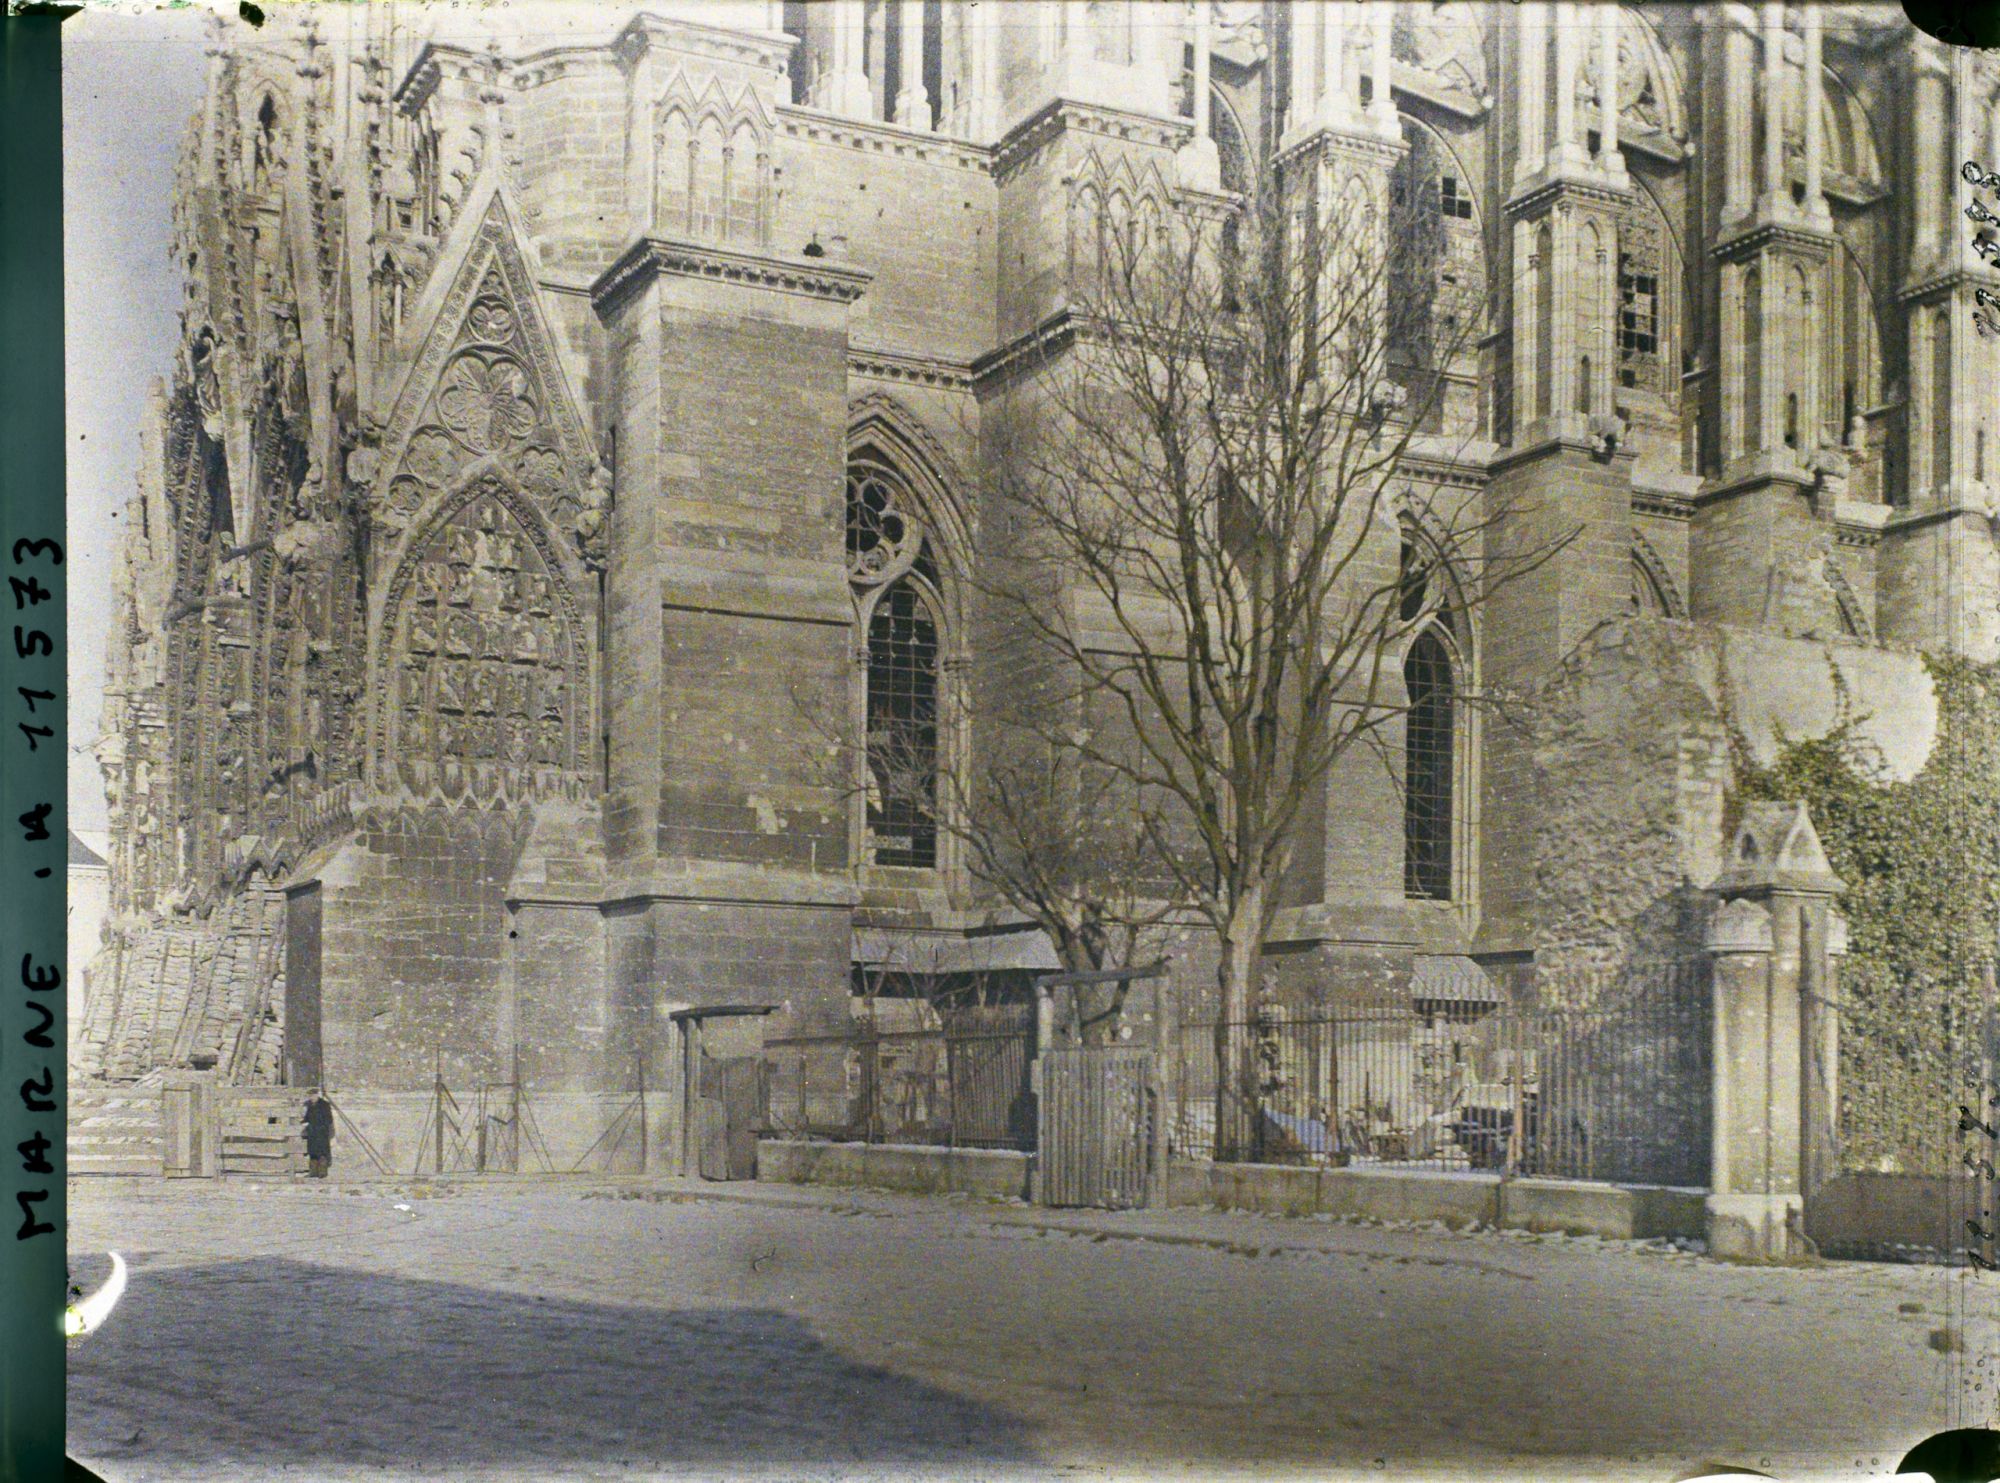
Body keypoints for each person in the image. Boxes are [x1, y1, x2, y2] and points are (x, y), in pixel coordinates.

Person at [303, 1090, 334, 1178]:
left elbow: (329, 1119)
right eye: (310, 1096)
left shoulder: (324, 1105)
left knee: (322, 1153)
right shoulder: (310, 1105)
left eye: (313, 1096)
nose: (311, 1098)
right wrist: (303, 1122)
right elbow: (307, 1117)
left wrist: (322, 1127)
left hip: (321, 1133)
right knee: (312, 1152)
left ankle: (322, 1173)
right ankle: (313, 1172)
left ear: (317, 1095)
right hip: (312, 1133)